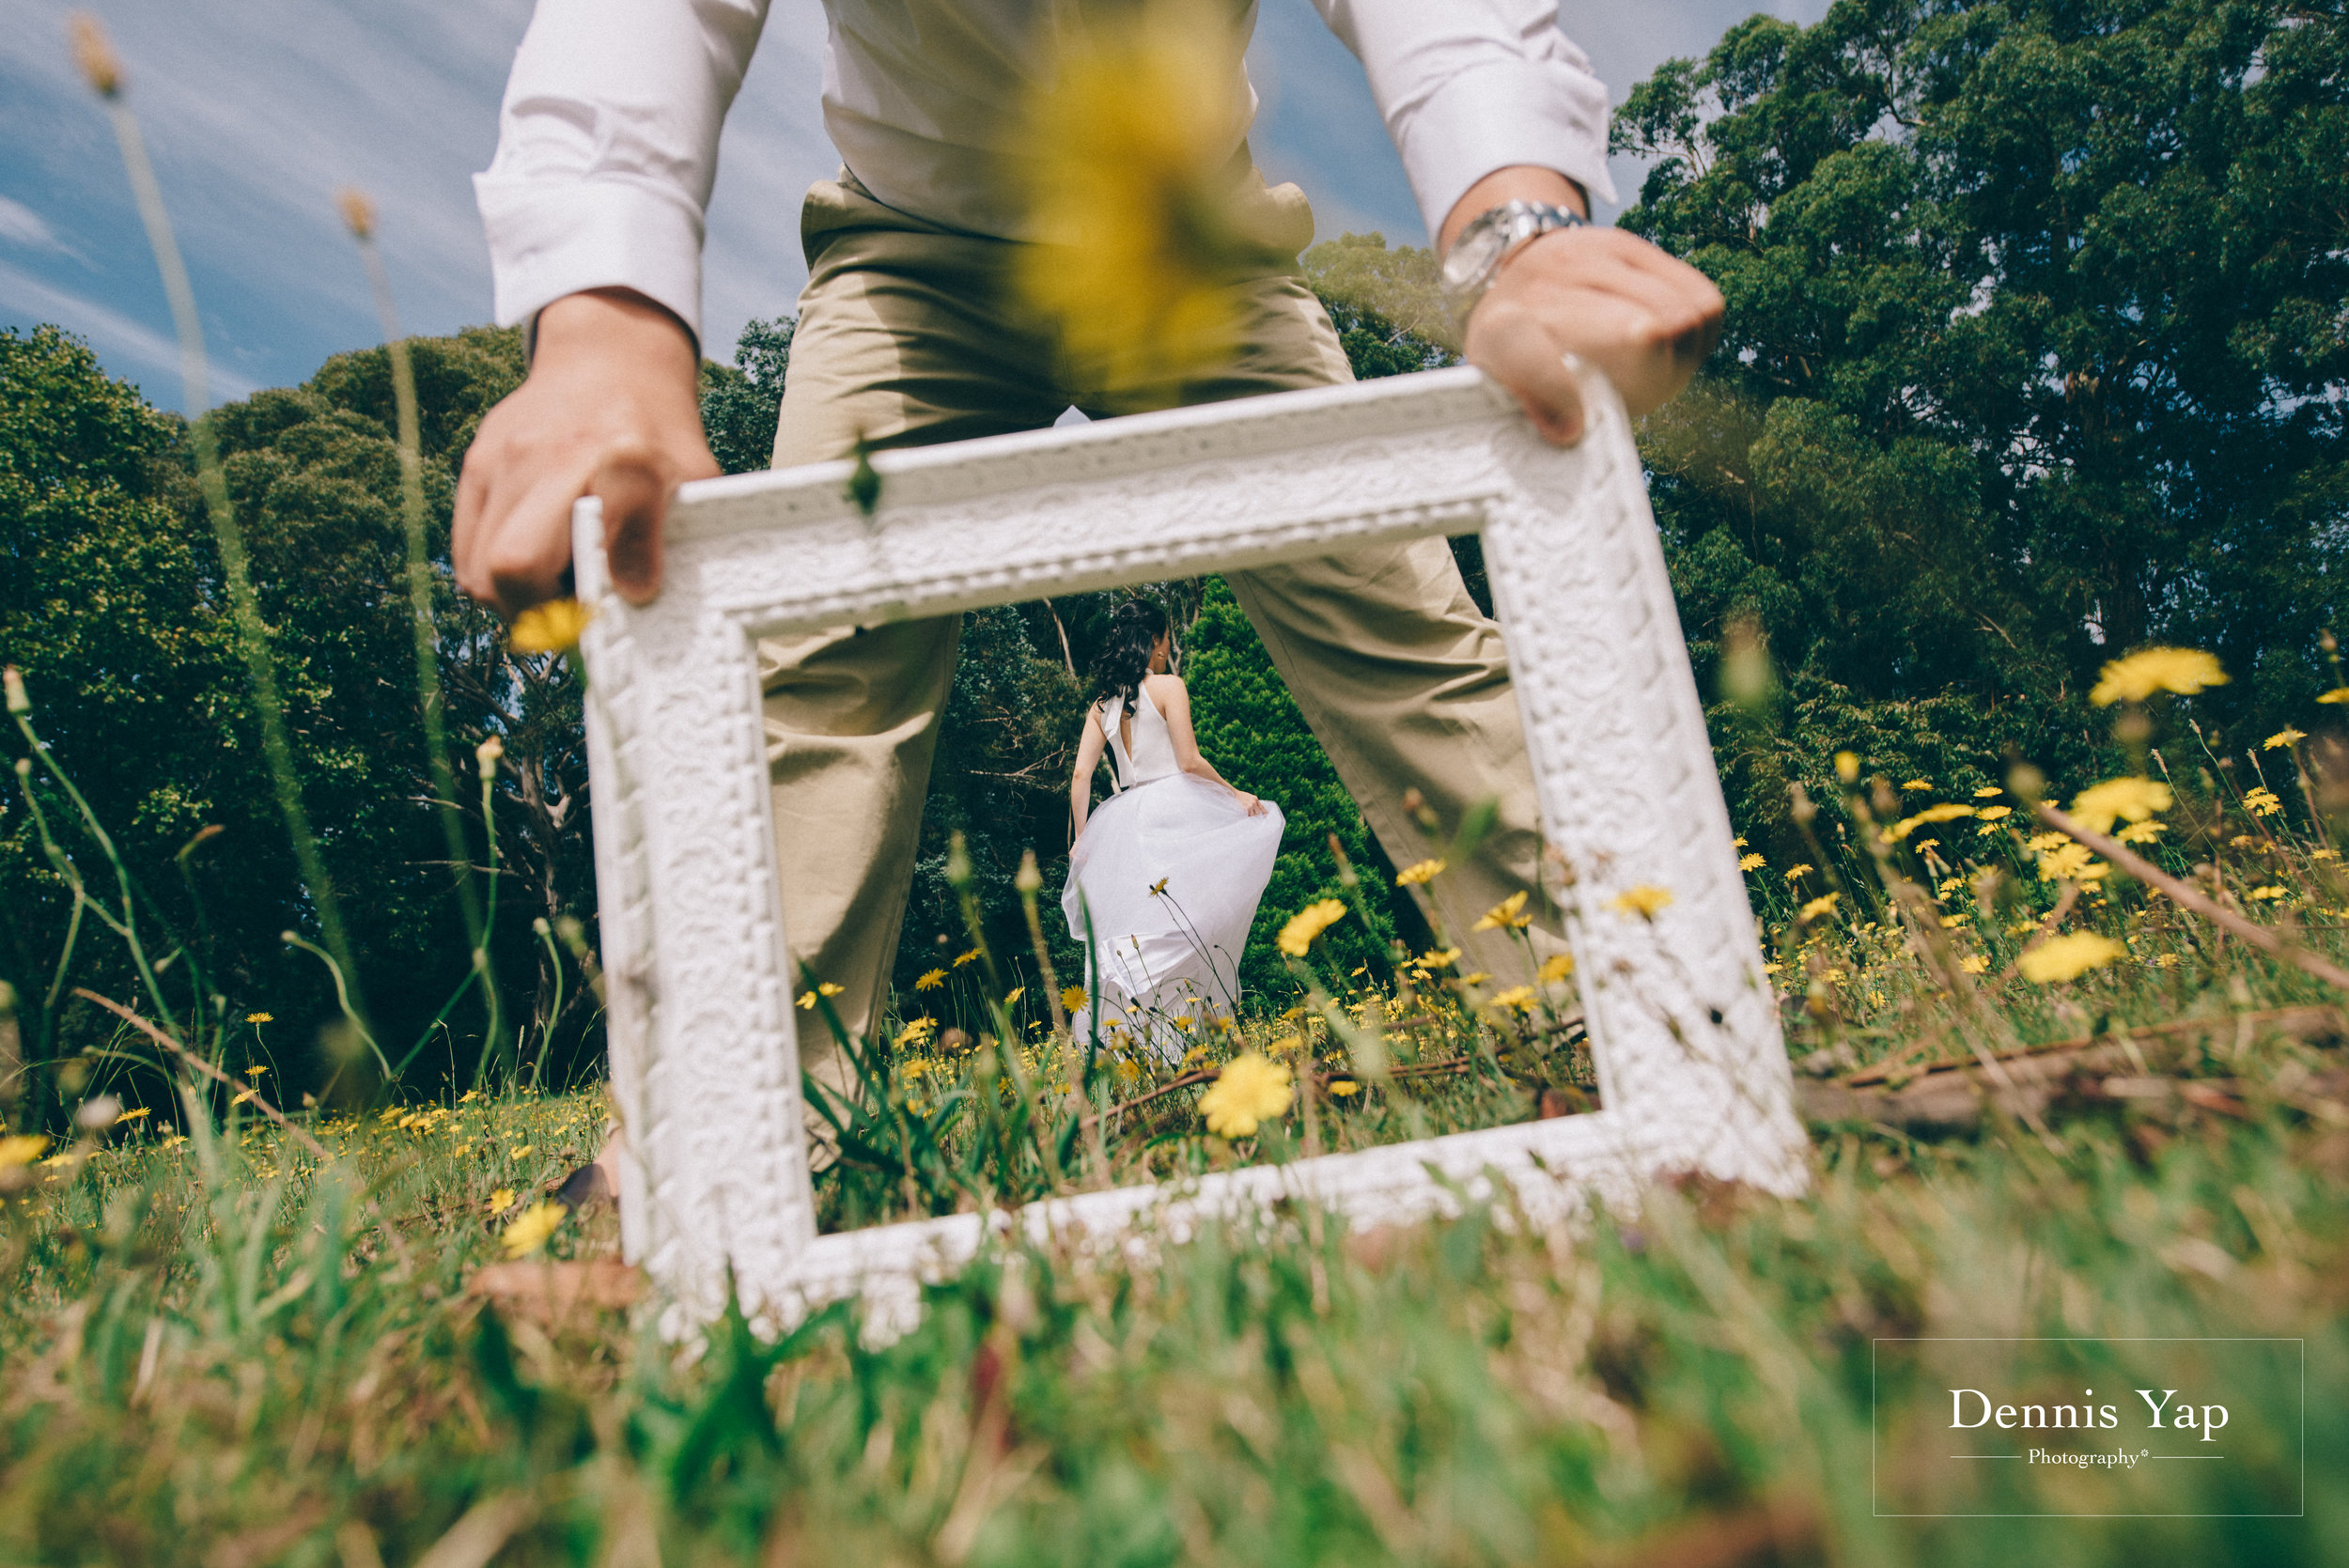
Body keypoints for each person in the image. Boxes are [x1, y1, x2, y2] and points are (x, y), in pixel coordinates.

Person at [457, 0, 1725, 1110]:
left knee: (1389, 603)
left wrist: (1516, 231)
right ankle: (733, 1133)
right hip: (911, 253)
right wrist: (605, 330)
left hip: (1192, 238)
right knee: (812, 666)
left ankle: (1632, 1030)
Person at [1064, 599, 1283, 1059]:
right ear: (1156, 640)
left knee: (1133, 932)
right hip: (1173, 808)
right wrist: (1235, 793)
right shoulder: (1168, 686)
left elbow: (1081, 777)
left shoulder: (1101, 706)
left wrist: (1082, 840)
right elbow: (1188, 760)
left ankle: (1130, 1046)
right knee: (1189, 922)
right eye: (1164, 641)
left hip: (1122, 821)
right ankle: (1183, 1037)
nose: (1165, 650)